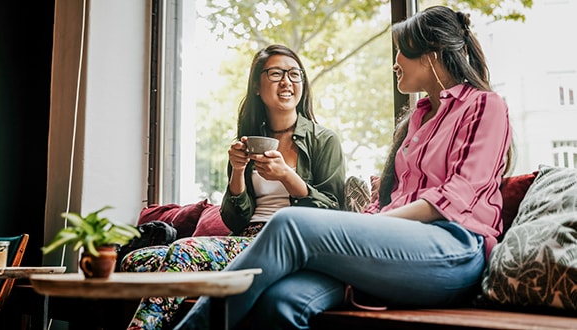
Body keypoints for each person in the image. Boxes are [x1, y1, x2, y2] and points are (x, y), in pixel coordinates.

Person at [173, 5, 514, 330]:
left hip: (454, 252)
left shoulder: (486, 106)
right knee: (280, 302)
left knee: (290, 223)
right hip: (395, 251)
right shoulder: (417, 121)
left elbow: (458, 195)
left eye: (401, 51)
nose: (395, 63)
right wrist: (363, 226)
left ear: (431, 55)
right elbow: (386, 199)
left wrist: (369, 227)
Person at [123, 44, 346, 329]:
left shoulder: (323, 140)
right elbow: (234, 219)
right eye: (276, 73)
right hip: (244, 239)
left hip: (284, 242)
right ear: (256, 85)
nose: (287, 81)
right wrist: (238, 171)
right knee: (136, 261)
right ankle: (206, 273)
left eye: (294, 74)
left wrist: (287, 176)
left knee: (183, 252)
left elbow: (334, 208)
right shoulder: (249, 140)